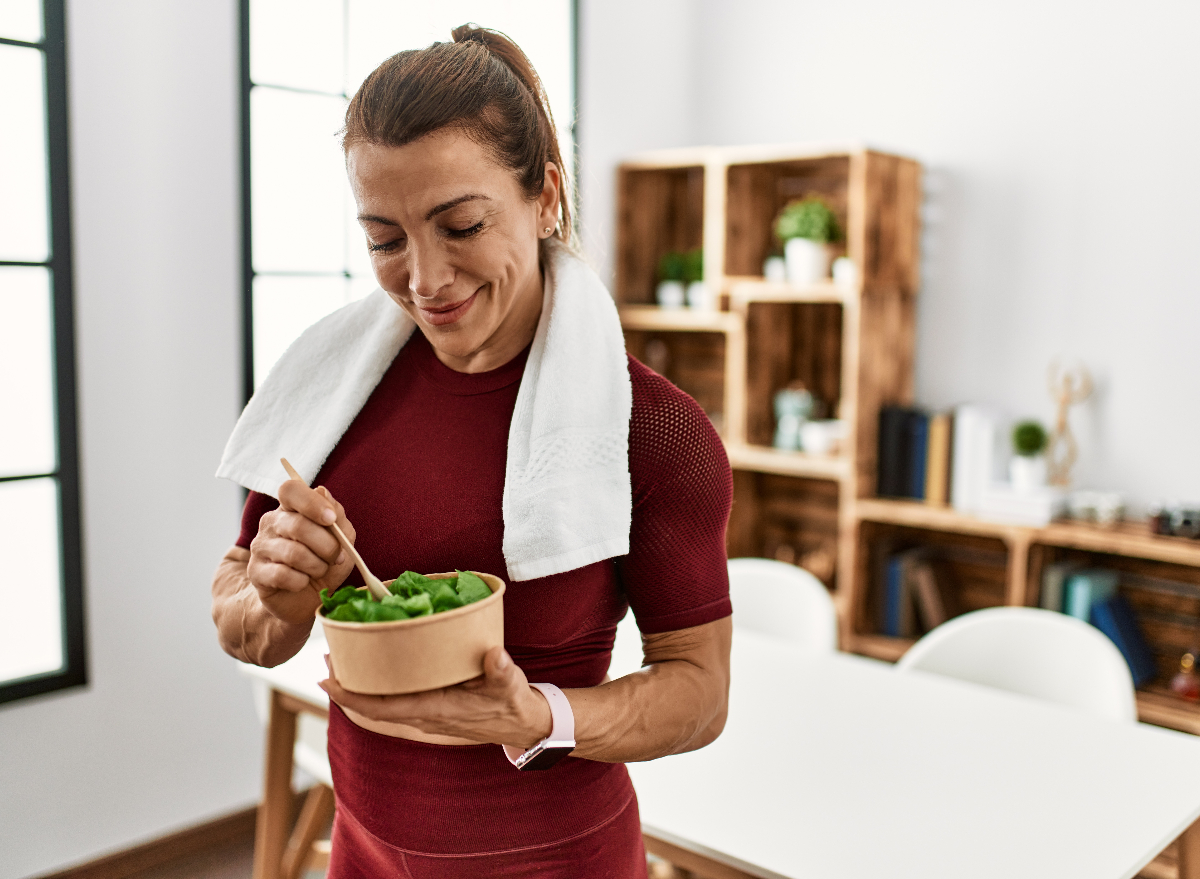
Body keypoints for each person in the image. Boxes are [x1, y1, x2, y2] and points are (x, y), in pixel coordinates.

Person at [212, 24, 732, 879]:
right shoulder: (331, 393)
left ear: (545, 198)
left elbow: (699, 693)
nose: (425, 279)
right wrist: (277, 595)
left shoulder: (651, 428)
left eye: (461, 225)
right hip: (365, 857)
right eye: (385, 239)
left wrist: (537, 717)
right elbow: (244, 624)